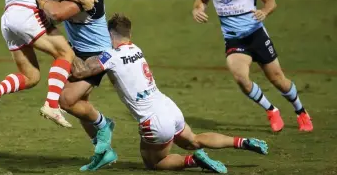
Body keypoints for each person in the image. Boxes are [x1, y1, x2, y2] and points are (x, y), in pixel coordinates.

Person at [70, 13, 269, 173]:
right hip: (167, 106)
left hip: (153, 119)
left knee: (154, 163)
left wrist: (66, 51)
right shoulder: (136, 49)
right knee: (194, 140)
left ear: (111, 35)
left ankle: (193, 161)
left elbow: (81, 71)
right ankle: (242, 142)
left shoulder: (111, 56)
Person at [191, 0, 313, 132]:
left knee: (278, 80)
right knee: (240, 77)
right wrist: (197, 10)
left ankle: (300, 111)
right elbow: (200, 1)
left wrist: (264, 12)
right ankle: (271, 110)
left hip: (256, 36)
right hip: (233, 40)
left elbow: (271, 1)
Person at [36, 0, 116, 168]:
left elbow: (56, 13)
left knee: (66, 100)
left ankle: (105, 124)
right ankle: (103, 152)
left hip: (97, 54)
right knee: (80, 104)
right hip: (76, 49)